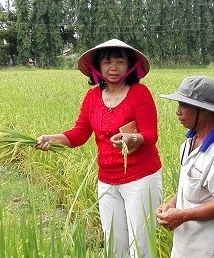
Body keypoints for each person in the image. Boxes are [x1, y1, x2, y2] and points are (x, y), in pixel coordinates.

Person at [35, 39, 162, 258]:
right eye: (107, 62)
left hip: (140, 178)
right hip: (107, 180)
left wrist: (132, 139)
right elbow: (79, 133)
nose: (113, 67)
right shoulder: (92, 97)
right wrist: (52, 138)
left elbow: (151, 134)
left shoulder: (139, 93)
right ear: (98, 67)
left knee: (140, 246)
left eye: (120, 62)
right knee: (114, 243)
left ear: (129, 66)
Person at [156, 75, 214, 257]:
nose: (178, 112)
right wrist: (171, 204)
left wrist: (182, 216)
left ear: (204, 110)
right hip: (187, 243)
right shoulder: (190, 141)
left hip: (211, 247)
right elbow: (192, 185)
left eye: (184, 105)